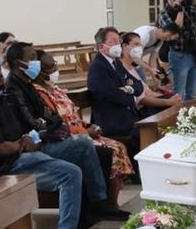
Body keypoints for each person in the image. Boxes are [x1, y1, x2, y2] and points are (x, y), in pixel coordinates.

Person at [0, 57, 94, 229]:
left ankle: (93, 214)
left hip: (25, 153)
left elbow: (21, 131)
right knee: (70, 173)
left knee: (81, 149)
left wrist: (28, 139)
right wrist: (23, 145)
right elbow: (0, 149)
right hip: (9, 166)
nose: (0, 73)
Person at [3, 42, 126, 220]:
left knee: (103, 153)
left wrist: (49, 122)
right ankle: (98, 205)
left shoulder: (27, 84)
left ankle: (101, 207)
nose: (35, 62)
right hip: (37, 146)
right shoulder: (13, 89)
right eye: (31, 58)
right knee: (84, 145)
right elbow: (33, 123)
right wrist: (49, 123)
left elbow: (52, 116)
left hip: (48, 138)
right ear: (17, 63)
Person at [32, 50, 134, 205]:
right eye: (50, 66)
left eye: (55, 65)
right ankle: (103, 202)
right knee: (111, 150)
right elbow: (57, 123)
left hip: (82, 132)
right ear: (39, 70)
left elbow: (73, 114)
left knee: (119, 146)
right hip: (68, 138)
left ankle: (112, 202)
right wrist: (85, 132)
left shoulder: (56, 89)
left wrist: (88, 126)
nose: (54, 69)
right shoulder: (39, 93)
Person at [86, 27, 143, 167]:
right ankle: (138, 170)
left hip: (125, 112)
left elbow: (138, 85)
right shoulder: (97, 67)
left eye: (119, 41)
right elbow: (113, 96)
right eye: (113, 42)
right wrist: (130, 95)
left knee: (153, 117)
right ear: (101, 47)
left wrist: (128, 89)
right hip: (110, 118)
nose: (117, 45)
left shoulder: (116, 62)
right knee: (144, 129)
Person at [119, 32, 183, 115]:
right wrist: (167, 101)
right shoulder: (120, 69)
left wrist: (171, 97)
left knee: (178, 102)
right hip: (137, 110)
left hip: (146, 104)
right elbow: (141, 99)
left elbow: (148, 92)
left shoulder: (132, 67)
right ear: (124, 46)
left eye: (140, 45)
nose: (139, 48)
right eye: (136, 44)